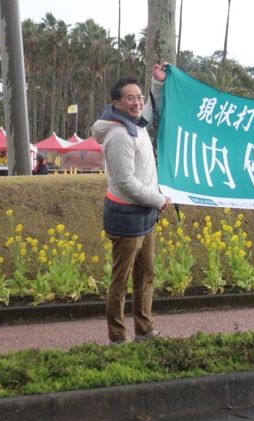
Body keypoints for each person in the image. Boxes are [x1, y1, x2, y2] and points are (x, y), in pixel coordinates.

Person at [92, 63, 172, 344]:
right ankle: (117, 337)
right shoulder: (118, 135)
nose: (138, 102)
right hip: (127, 216)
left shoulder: (134, 123)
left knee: (146, 275)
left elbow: (150, 108)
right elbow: (125, 182)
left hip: (144, 214)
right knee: (121, 281)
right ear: (116, 103)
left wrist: (158, 82)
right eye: (130, 98)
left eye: (139, 97)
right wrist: (159, 199)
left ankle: (145, 331)